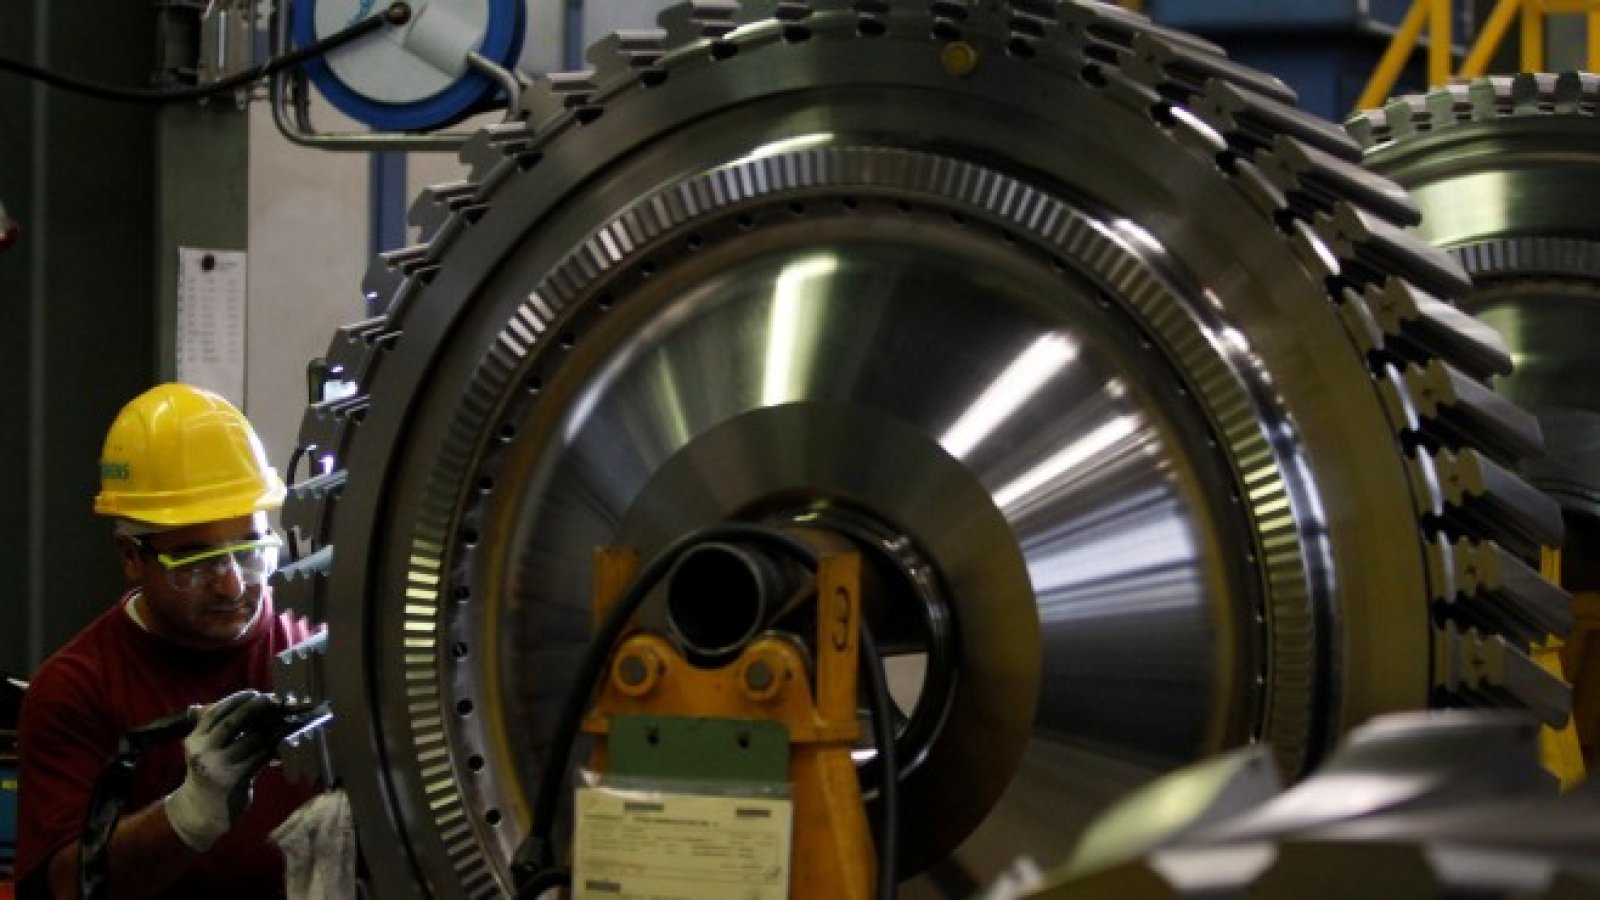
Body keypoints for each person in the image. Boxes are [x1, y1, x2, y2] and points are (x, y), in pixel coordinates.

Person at [15, 383, 320, 899]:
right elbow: (64, 889)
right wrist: (188, 816)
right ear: (131, 556)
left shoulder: (317, 650)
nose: (232, 585)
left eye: (251, 549)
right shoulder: (76, 689)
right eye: (196, 563)